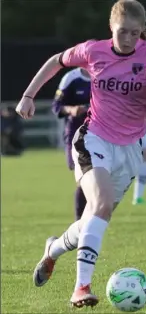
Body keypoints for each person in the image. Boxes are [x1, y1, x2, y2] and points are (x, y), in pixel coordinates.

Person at [16, 0, 146, 308]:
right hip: (93, 139)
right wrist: (29, 95)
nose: (128, 39)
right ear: (111, 27)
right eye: (122, 32)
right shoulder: (92, 50)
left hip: (130, 151)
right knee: (100, 205)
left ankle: (53, 250)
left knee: (93, 218)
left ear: (142, 31)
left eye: (135, 33)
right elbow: (56, 61)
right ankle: (81, 287)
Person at [52, 67, 91, 221]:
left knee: (91, 176)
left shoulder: (106, 75)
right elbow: (56, 106)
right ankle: (81, 223)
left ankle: (84, 222)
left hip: (100, 133)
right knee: (84, 176)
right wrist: (71, 109)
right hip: (75, 134)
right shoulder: (71, 78)